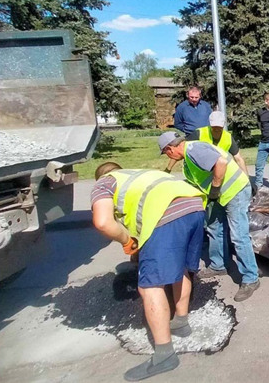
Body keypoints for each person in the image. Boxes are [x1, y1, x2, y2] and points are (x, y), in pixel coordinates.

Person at [90, 162, 206, 381]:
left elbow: (103, 222)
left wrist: (127, 242)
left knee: (150, 286)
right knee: (180, 268)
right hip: (194, 207)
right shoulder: (140, 175)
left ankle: (164, 356)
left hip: (167, 216)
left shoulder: (104, 183)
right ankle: (181, 323)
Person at [158, 131, 260, 302]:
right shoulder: (188, 157)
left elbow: (220, 163)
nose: (169, 157)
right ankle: (219, 264)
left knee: (238, 235)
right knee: (214, 227)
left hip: (234, 191)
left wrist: (214, 189)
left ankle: (251, 278)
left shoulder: (194, 150)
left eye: (166, 153)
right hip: (219, 194)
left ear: (170, 149)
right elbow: (197, 180)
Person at [166, 111, 252, 185]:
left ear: (224, 125)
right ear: (210, 124)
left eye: (219, 127)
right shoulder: (199, 133)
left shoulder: (228, 137)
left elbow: (239, 159)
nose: (217, 129)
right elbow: (180, 151)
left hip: (216, 177)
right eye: (214, 127)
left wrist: (247, 181)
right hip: (196, 177)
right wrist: (168, 170)